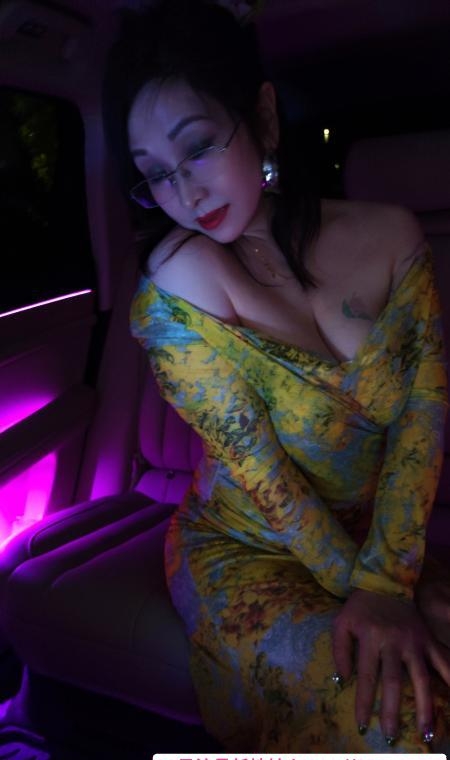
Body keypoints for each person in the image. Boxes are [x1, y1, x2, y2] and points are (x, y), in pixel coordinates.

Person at [103, 0, 450, 751]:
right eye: (155, 174)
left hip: (379, 546)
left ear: (261, 116)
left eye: (197, 148)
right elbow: (264, 477)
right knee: (403, 726)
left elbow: (422, 418)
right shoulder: (182, 280)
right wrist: (380, 595)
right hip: (246, 549)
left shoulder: (391, 237)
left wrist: (391, 580)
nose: (185, 195)